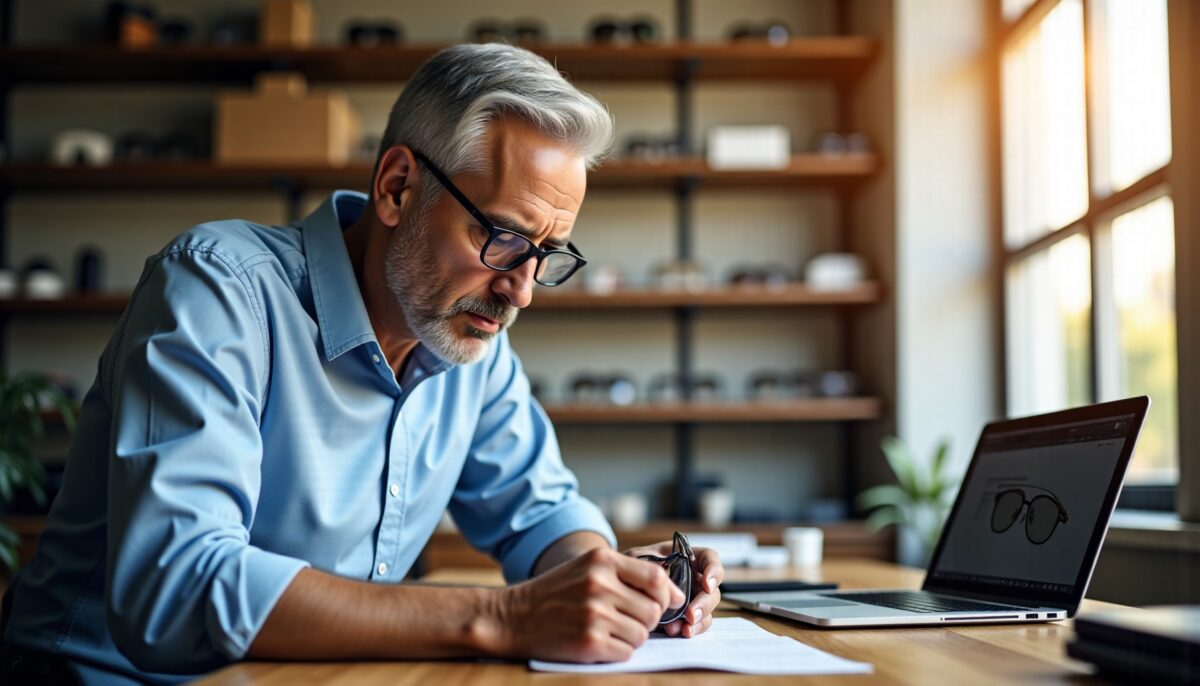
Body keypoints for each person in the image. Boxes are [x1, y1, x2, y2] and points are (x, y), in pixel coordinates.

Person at [0, 44, 724, 685]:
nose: (521, 291)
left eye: (546, 254)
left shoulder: (470, 338)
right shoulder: (220, 290)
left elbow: (541, 514)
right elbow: (176, 589)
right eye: (502, 237)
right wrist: (504, 617)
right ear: (397, 187)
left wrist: (616, 585)